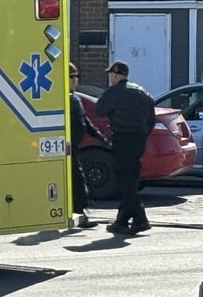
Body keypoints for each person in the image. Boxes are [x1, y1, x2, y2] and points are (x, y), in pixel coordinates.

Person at [94, 60, 156, 236]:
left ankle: (141, 219)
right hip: (139, 141)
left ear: (115, 75)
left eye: (110, 75)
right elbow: (152, 118)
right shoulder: (141, 92)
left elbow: (99, 110)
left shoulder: (114, 92)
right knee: (131, 180)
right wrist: (143, 134)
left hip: (123, 140)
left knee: (125, 181)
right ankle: (124, 221)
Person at [66, 64, 94, 229]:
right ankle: (78, 210)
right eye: (71, 77)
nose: (75, 80)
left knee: (77, 179)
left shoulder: (75, 98)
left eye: (76, 77)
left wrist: (99, 135)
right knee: (76, 180)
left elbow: (85, 120)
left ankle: (79, 210)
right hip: (66, 148)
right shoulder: (63, 98)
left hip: (75, 147)